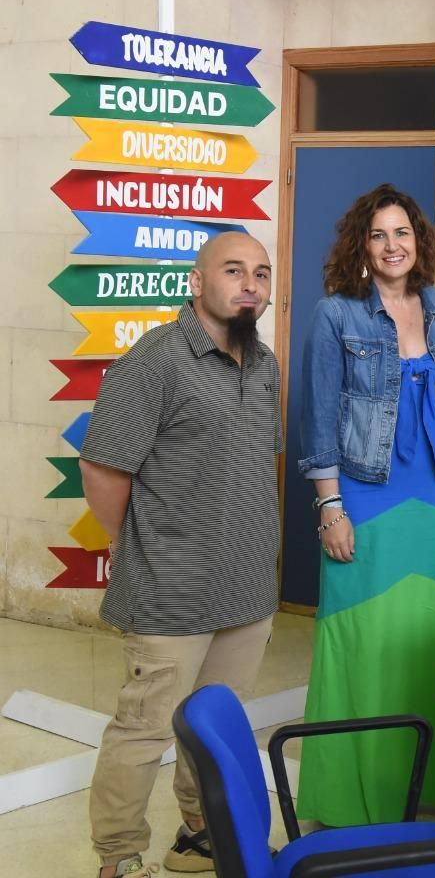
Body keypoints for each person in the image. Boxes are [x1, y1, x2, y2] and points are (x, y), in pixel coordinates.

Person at [81, 231, 280, 878]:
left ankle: (196, 832)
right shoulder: (156, 361)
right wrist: (139, 545)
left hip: (246, 591)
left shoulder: (266, 363)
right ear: (197, 282)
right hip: (172, 591)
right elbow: (104, 469)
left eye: (261, 272)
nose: (250, 282)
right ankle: (118, 857)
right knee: (144, 732)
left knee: (215, 726)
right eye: (233, 270)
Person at [296, 184, 435, 825]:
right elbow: (318, 422)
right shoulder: (336, 314)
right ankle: (348, 800)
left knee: (418, 642)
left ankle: (414, 789)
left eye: (403, 233)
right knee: (359, 640)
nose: (393, 246)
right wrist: (330, 507)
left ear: (417, 242)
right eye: (379, 235)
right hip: (362, 495)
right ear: (360, 246)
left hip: (427, 495)